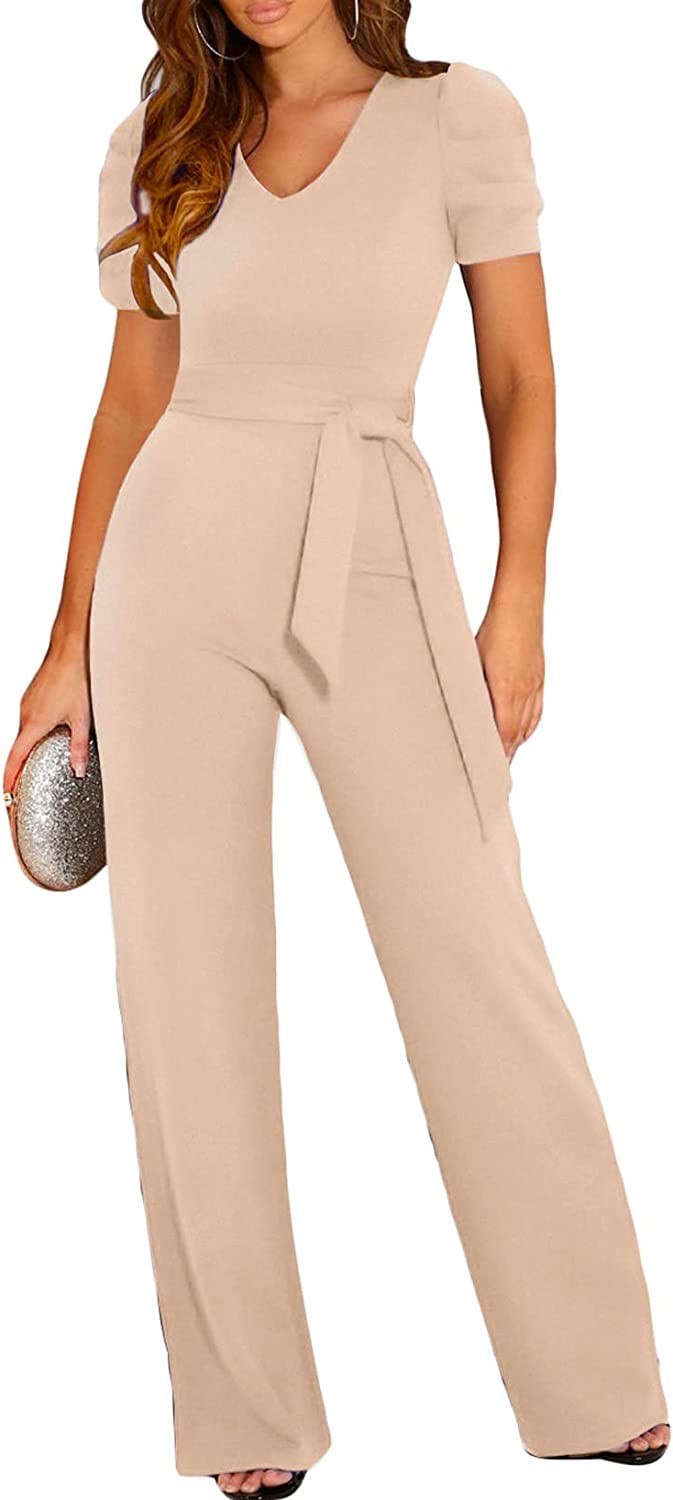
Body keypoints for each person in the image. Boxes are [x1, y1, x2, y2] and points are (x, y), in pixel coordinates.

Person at [4, 1, 669, 1495]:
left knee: (474, 947)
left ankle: (595, 1376)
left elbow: (518, 377)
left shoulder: (460, 116)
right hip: (173, 561)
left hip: (373, 541)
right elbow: (132, 396)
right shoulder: (160, 139)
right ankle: (247, 1416)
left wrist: (518, 602)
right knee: (183, 989)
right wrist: (64, 645)